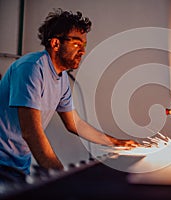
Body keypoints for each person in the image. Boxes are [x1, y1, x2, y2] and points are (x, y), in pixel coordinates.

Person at [0, 8, 139, 180]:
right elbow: (31, 132)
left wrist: (116, 142)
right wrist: (61, 177)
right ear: (56, 44)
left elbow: (75, 124)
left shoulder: (62, 77)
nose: (83, 51)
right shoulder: (31, 68)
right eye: (77, 44)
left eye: (84, 45)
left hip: (19, 163)